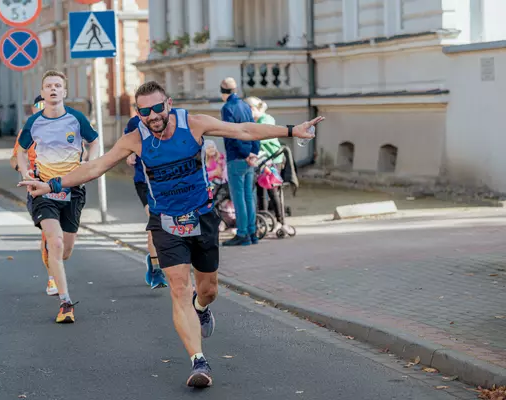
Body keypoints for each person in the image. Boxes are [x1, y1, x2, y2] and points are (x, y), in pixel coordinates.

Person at [18, 80, 323, 388]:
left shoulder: (193, 124)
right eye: (144, 111)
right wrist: (52, 184)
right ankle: (198, 362)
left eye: (157, 108)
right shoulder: (135, 139)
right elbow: (95, 167)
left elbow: (244, 130)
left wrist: (292, 130)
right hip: (165, 222)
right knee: (179, 288)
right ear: (138, 112)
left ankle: (201, 308)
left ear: (168, 104)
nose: (152, 116)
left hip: (202, 216)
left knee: (208, 290)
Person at [17, 70, 100, 324]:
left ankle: (53, 263)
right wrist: (26, 172)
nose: (53, 89)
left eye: (57, 86)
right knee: (55, 242)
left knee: (66, 249)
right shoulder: (34, 122)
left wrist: (89, 163)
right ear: (42, 93)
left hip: (73, 189)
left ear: (64, 92)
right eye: (48, 86)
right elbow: (21, 150)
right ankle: (65, 302)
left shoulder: (76, 118)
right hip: (43, 189)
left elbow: (95, 141)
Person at [10, 95, 59, 296]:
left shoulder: (67, 127)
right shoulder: (27, 132)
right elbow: (14, 158)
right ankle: (52, 278)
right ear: (33, 109)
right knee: (49, 234)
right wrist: (24, 171)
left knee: (64, 238)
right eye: (39, 105)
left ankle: (56, 268)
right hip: (38, 188)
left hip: (64, 187)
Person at [124, 115, 168, 289]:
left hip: (167, 182)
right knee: (154, 220)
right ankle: (157, 269)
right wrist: (130, 153)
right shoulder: (134, 123)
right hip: (144, 181)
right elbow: (125, 143)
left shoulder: (171, 119)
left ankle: (159, 258)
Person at [219, 77, 260, 247]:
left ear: (223, 92)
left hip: (237, 157)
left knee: (239, 198)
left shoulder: (227, 108)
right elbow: (254, 129)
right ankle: (252, 232)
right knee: (249, 197)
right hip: (250, 157)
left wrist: (245, 154)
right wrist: (254, 152)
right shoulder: (245, 105)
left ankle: (243, 234)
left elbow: (232, 133)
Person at [245, 96, 289, 233]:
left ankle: (281, 221)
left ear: (252, 108)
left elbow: (263, 136)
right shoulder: (256, 121)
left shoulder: (266, 119)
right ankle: (263, 219)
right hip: (262, 160)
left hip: (273, 160)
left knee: (273, 191)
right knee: (261, 191)